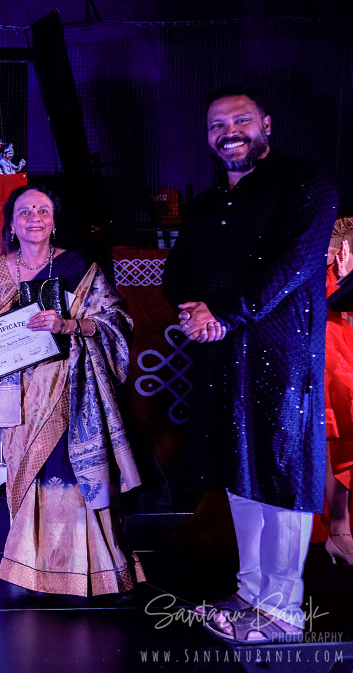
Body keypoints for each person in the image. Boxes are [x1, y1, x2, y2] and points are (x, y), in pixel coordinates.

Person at [164, 86, 338, 644]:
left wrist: (223, 313)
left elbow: (295, 263)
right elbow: (178, 271)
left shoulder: (305, 184)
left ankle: (282, 610)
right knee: (238, 471)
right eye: (217, 125)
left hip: (281, 355)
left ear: (266, 124)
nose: (229, 132)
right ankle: (249, 592)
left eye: (240, 120)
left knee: (281, 473)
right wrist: (193, 310)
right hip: (221, 354)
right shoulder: (207, 204)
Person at [0, 183, 144, 597]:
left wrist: (67, 324)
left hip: (72, 390)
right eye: (25, 212)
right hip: (18, 398)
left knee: (72, 473)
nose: (34, 219)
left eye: (42, 211)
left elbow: (116, 323)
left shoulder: (80, 267)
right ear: (10, 225)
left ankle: (91, 569)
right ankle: (32, 569)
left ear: (54, 221)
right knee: (31, 475)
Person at [325, 216, 353, 566]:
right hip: (325, 355)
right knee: (335, 437)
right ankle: (337, 529)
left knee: (343, 437)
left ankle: (340, 528)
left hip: (341, 352)